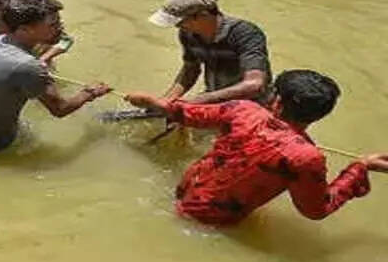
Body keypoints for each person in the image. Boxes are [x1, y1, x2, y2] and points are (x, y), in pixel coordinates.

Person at [125, 70, 388, 226]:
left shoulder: (243, 110)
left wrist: (154, 102)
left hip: (185, 191)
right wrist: (360, 168)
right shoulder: (307, 157)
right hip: (215, 220)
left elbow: (190, 113)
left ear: (277, 102)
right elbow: (316, 210)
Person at [0, 0, 110, 156]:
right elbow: (60, 109)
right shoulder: (28, 66)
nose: (60, 28)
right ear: (24, 29)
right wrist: (90, 92)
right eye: (52, 25)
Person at [148, 0, 270, 104]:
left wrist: (200, 100)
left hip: (253, 104)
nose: (178, 27)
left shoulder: (245, 34)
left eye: (180, 22)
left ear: (204, 15)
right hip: (214, 99)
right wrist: (167, 101)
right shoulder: (188, 34)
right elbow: (191, 70)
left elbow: (255, 84)